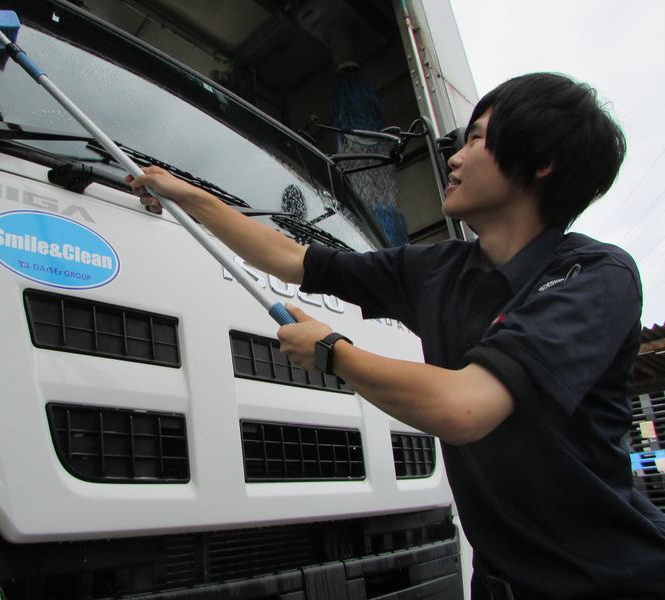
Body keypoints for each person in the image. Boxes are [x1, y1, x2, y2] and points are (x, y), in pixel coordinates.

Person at [128, 72, 665, 599]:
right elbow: (291, 258)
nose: (454, 158)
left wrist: (331, 352)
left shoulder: (594, 276)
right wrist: (187, 194)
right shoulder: (436, 269)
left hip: (610, 583)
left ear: (543, 160)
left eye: (477, 139)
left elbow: (464, 408)